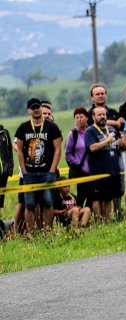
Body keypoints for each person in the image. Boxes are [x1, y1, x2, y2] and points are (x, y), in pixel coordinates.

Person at [14, 97, 62, 233]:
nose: (36, 110)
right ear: (29, 110)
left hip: (48, 171)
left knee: (48, 202)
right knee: (29, 204)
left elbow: (58, 149)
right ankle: (30, 232)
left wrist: (52, 170)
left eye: (38, 107)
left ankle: (47, 230)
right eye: (33, 108)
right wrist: (24, 171)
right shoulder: (23, 128)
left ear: (41, 108)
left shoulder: (52, 127)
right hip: (30, 172)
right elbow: (20, 151)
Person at [84, 105, 120, 223]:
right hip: (98, 171)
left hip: (112, 169)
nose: (102, 117)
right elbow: (92, 148)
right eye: (99, 115)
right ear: (93, 117)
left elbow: (116, 146)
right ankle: (98, 222)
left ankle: (107, 221)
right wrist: (107, 140)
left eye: (104, 114)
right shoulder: (90, 131)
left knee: (108, 198)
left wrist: (120, 144)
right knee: (97, 198)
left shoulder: (112, 129)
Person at [64, 107, 91, 209]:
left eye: (81, 117)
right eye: (77, 117)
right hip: (81, 172)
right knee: (81, 197)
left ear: (87, 118)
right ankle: (79, 215)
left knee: (93, 197)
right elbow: (68, 153)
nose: (79, 119)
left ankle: (89, 215)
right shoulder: (73, 134)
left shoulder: (92, 131)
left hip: (93, 170)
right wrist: (77, 163)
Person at [0, 122, 12, 210]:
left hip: (3, 172)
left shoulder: (4, 132)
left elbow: (9, 151)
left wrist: (9, 169)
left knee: (0, 202)